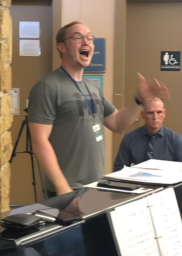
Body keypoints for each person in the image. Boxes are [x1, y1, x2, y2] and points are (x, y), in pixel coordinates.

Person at [28, 21, 170, 197]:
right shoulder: (47, 87)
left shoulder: (92, 88)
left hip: (96, 185)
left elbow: (118, 124)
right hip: (67, 190)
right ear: (61, 47)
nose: (86, 42)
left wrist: (139, 100)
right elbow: (39, 140)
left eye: (89, 38)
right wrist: (62, 188)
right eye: (78, 37)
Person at [114, 97, 182, 171]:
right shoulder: (130, 139)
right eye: (150, 113)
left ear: (164, 113)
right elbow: (119, 168)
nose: (155, 117)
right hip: (135, 181)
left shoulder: (176, 140)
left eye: (159, 112)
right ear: (143, 115)